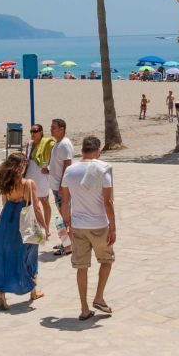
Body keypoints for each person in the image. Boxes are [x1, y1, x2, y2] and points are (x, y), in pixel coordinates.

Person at [60, 134, 115, 321]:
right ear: (98, 151)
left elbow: (65, 201)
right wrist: (113, 228)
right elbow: (108, 202)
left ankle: (84, 308)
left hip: (78, 225)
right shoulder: (103, 170)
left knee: (81, 267)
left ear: (82, 150)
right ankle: (98, 296)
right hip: (99, 225)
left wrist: (67, 224)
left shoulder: (70, 171)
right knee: (106, 261)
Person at [0, 152, 46, 310]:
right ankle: (33, 290)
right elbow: (36, 207)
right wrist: (44, 225)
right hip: (24, 222)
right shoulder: (28, 183)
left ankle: (2, 294)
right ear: (21, 166)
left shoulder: (6, 183)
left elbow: (4, 203)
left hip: (6, 220)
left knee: (6, 256)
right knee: (29, 254)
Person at [48, 118, 74, 255]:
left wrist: (62, 186)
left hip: (61, 188)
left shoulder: (64, 144)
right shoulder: (58, 144)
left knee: (65, 218)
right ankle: (66, 242)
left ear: (62, 129)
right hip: (57, 186)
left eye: (54, 127)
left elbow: (67, 165)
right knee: (63, 217)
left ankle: (69, 246)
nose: (51, 129)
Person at [25, 123, 54, 238]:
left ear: (41, 132)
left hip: (42, 176)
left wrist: (50, 170)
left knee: (44, 201)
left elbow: (54, 160)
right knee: (31, 203)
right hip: (30, 175)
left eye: (35, 131)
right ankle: (37, 227)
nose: (33, 133)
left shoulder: (48, 144)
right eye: (31, 131)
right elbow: (26, 158)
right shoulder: (29, 144)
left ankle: (46, 226)